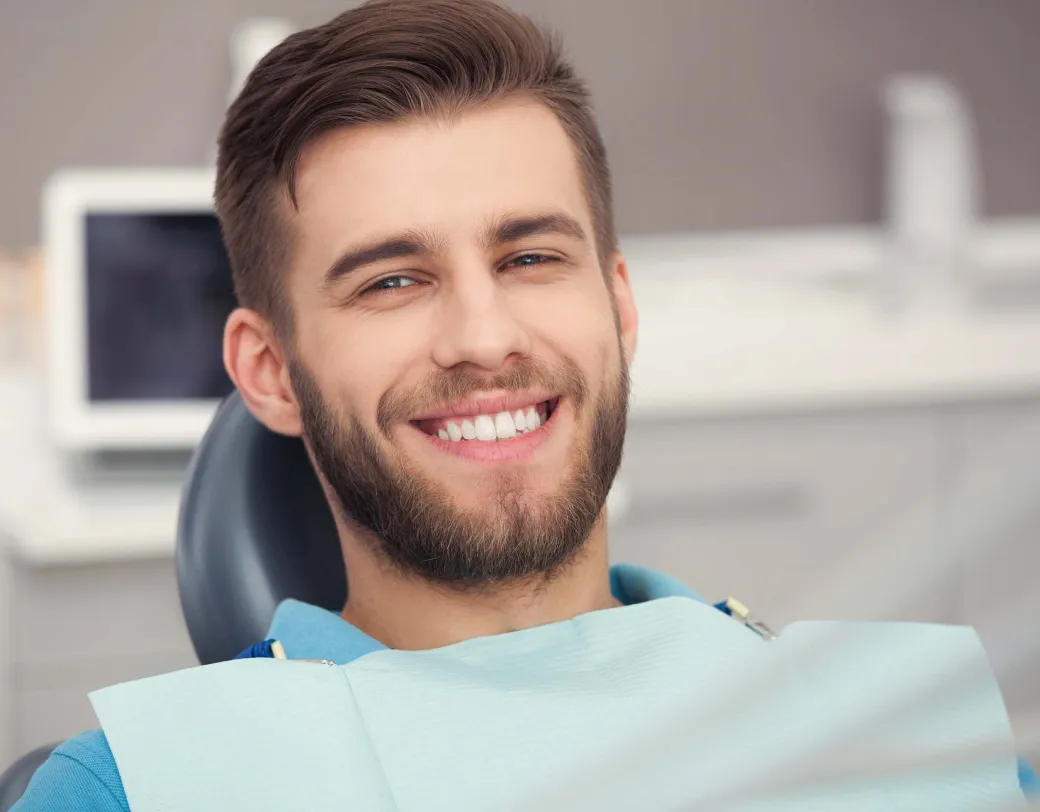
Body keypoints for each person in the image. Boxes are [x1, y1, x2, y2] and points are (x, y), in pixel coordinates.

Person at [13, 0, 1038, 808]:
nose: (483, 336)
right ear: (269, 370)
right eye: (391, 280)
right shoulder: (141, 788)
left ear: (618, 303)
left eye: (530, 256)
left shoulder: (911, 736)